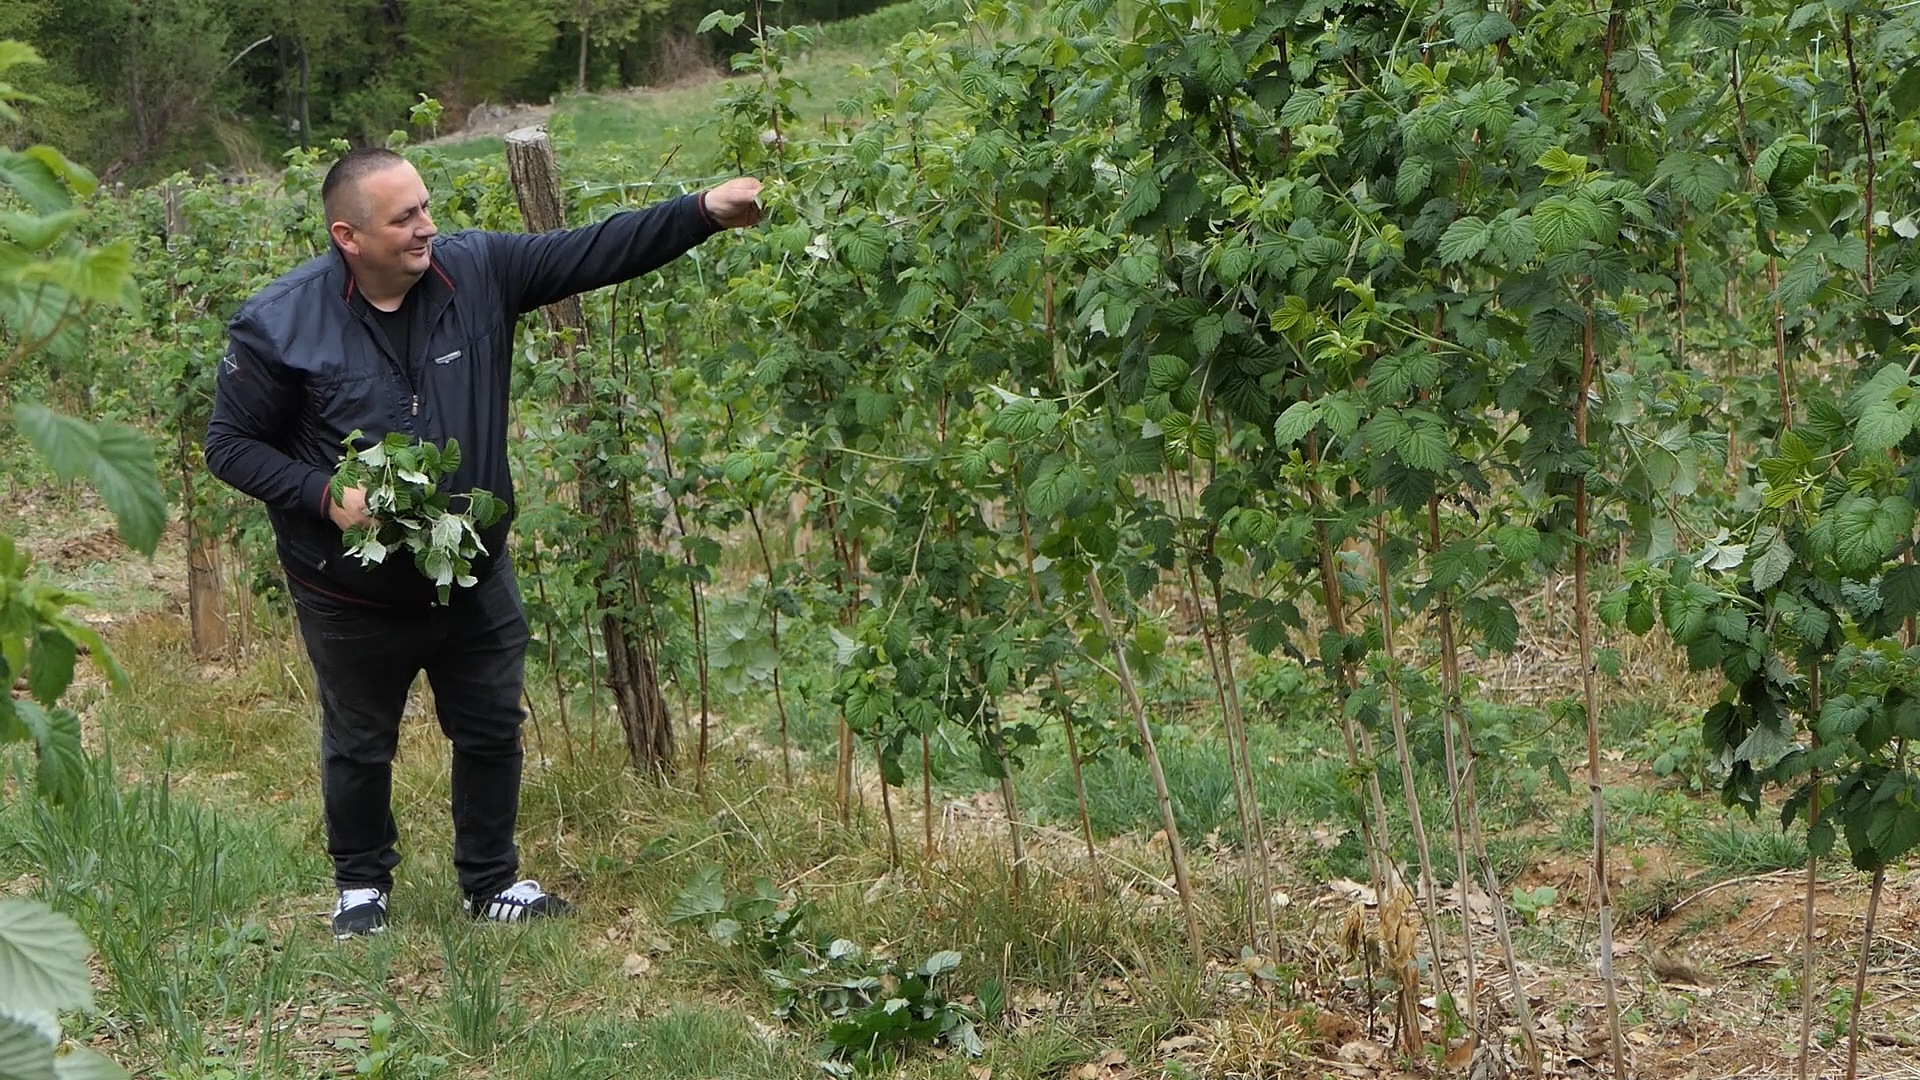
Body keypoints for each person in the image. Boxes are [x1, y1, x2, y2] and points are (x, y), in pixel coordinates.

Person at [205, 147, 761, 939]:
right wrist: (326, 497)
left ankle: (490, 882)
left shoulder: (480, 272)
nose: (427, 227)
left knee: (492, 726)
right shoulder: (279, 322)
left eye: (425, 208)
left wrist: (703, 209)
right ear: (348, 235)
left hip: (471, 570)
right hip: (350, 589)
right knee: (361, 742)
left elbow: (595, 249)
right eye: (404, 218)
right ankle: (361, 886)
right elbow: (228, 445)